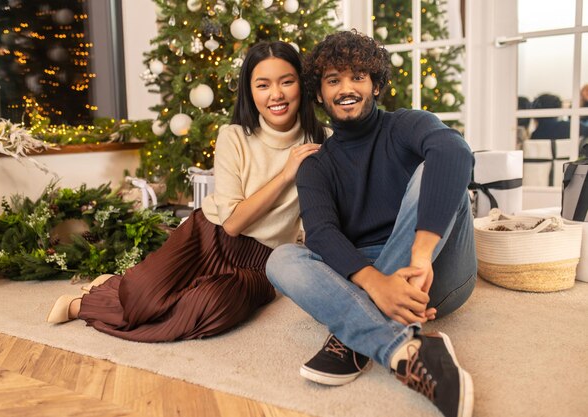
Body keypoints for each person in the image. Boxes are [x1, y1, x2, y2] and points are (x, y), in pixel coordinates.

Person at [46, 40, 326, 343]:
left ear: (302, 84)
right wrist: (286, 174)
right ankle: (111, 291)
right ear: (250, 91)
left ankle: (91, 300)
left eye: (287, 82)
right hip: (209, 237)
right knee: (143, 299)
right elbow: (232, 223)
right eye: (263, 85)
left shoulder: (324, 141)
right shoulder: (233, 137)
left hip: (261, 263)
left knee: (204, 309)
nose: (276, 95)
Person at [265, 30, 476, 417]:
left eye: (357, 76)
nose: (346, 88)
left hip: (431, 273)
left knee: (440, 168)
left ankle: (351, 333)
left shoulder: (406, 125)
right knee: (281, 259)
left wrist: (421, 254)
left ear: (376, 85)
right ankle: (404, 348)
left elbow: (454, 150)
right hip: (366, 278)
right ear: (318, 94)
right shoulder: (315, 164)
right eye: (333, 80)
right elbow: (323, 234)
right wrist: (377, 286)